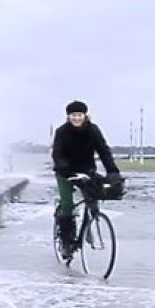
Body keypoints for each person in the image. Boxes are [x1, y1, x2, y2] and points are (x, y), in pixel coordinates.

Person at [51, 100, 122, 258]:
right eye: (73, 115)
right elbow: (57, 153)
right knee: (68, 206)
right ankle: (66, 242)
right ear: (68, 117)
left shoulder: (93, 130)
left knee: (93, 198)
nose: (76, 118)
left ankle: (90, 225)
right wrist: (65, 169)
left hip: (86, 170)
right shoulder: (62, 132)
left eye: (79, 115)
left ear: (85, 116)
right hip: (65, 173)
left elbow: (103, 150)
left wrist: (113, 171)